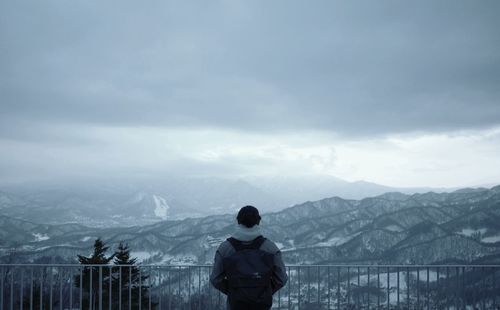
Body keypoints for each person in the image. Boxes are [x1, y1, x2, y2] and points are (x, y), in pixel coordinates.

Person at [210, 205, 288, 310]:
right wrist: (264, 290)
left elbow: (215, 279)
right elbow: (281, 278)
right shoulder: (270, 248)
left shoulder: (225, 248)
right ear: (258, 222)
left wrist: (234, 290)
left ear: (238, 222)